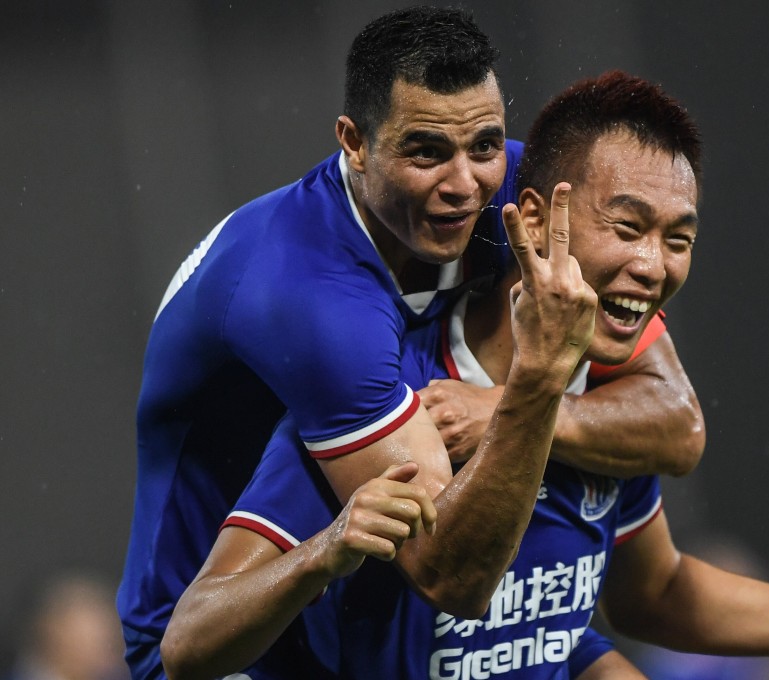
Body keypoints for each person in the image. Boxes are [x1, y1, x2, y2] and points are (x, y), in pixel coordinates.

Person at [161, 71, 769, 679]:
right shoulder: (385, 400)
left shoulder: (605, 401)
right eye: (626, 227)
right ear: (530, 222)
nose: (651, 265)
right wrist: (325, 551)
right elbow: (191, 641)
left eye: (679, 239)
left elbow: (654, 595)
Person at [118, 6, 703, 679]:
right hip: (227, 634)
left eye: (485, 144)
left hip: (365, 606)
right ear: (353, 142)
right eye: (426, 151)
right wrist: (537, 389)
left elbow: (677, 427)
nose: (464, 185)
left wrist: (500, 410)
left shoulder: (513, 193)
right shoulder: (313, 298)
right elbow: (450, 570)